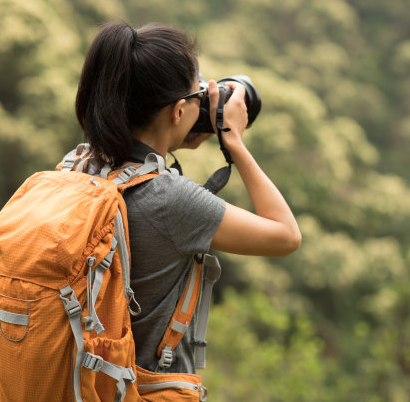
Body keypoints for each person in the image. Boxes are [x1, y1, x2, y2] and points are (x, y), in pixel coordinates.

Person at [74, 21, 301, 375]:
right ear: (178, 112)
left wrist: (177, 133)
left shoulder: (78, 167)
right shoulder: (171, 200)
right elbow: (286, 236)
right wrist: (233, 139)